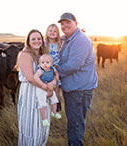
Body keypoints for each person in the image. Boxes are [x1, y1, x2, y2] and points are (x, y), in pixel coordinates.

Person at [57, 12, 98, 146]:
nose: (64, 26)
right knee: (74, 123)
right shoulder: (69, 39)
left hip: (79, 90)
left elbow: (72, 66)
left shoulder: (80, 40)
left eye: (68, 22)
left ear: (76, 23)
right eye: (62, 24)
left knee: (75, 125)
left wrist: (54, 72)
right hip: (74, 89)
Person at [17, 29, 52, 146]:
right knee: (31, 126)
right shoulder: (24, 55)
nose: (36, 41)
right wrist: (46, 88)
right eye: (33, 39)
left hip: (42, 92)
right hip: (30, 93)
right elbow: (31, 78)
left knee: (42, 124)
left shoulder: (42, 54)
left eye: (39, 38)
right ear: (28, 41)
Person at [34, 54, 61, 127]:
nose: (45, 64)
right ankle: (44, 119)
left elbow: (56, 74)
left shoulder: (52, 69)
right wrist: (42, 84)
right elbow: (36, 77)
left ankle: (54, 112)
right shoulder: (40, 70)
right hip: (41, 88)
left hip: (50, 87)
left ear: (51, 63)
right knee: (42, 103)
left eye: (47, 62)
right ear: (40, 64)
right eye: (42, 63)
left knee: (54, 99)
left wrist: (56, 80)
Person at [45, 24, 62, 112]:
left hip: (57, 68)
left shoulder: (59, 44)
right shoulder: (44, 44)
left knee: (57, 85)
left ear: (58, 33)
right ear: (47, 32)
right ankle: (49, 103)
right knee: (49, 86)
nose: (52, 33)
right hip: (47, 68)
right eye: (50, 31)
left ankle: (57, 102)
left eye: (55, 31)